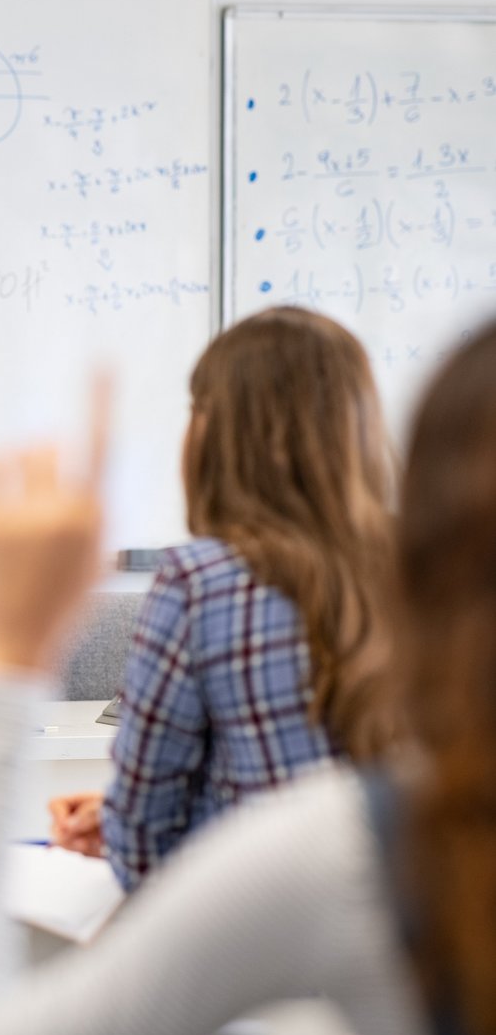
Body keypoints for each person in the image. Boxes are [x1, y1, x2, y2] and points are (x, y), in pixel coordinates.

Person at [0, 327, 496, 1035]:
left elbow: (147, 847)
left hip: (250, 994)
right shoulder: (388, 590)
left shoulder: (200, 586)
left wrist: (6, 659)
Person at [48, 306, 395, 890]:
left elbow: (145, 844)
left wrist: (124, 821)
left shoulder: (201, 581)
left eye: (195, 408)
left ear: (218, 432)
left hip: (263, 940)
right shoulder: (433, 572)